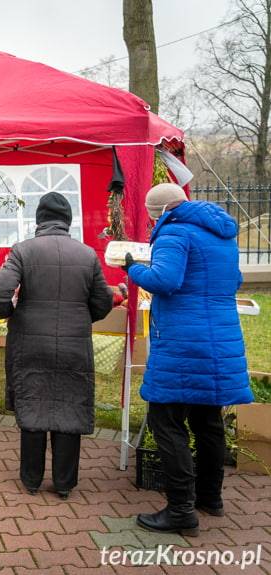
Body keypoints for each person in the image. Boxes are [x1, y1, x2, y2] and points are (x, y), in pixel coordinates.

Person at [124, 183, 253, 536]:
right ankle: (210, 498)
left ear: (159, 212)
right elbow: (235, 280)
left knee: (166, 421)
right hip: (219, 340)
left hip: (184, 343)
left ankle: (181, 510)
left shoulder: (174, 232)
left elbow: (164, 280)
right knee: (207, 421)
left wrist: (133, 268)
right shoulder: (221, 235)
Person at [0, 191, 112, 500]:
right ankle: (64, 483)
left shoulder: (23, 250)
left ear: (39, 219)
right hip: (74, 344)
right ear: (68, 220)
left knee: (33, 401)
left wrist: (9, 312)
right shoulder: (87, 255)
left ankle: (31, 479)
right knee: (70, 404)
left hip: (30, 341)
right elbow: (103, 301)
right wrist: (81, 317)